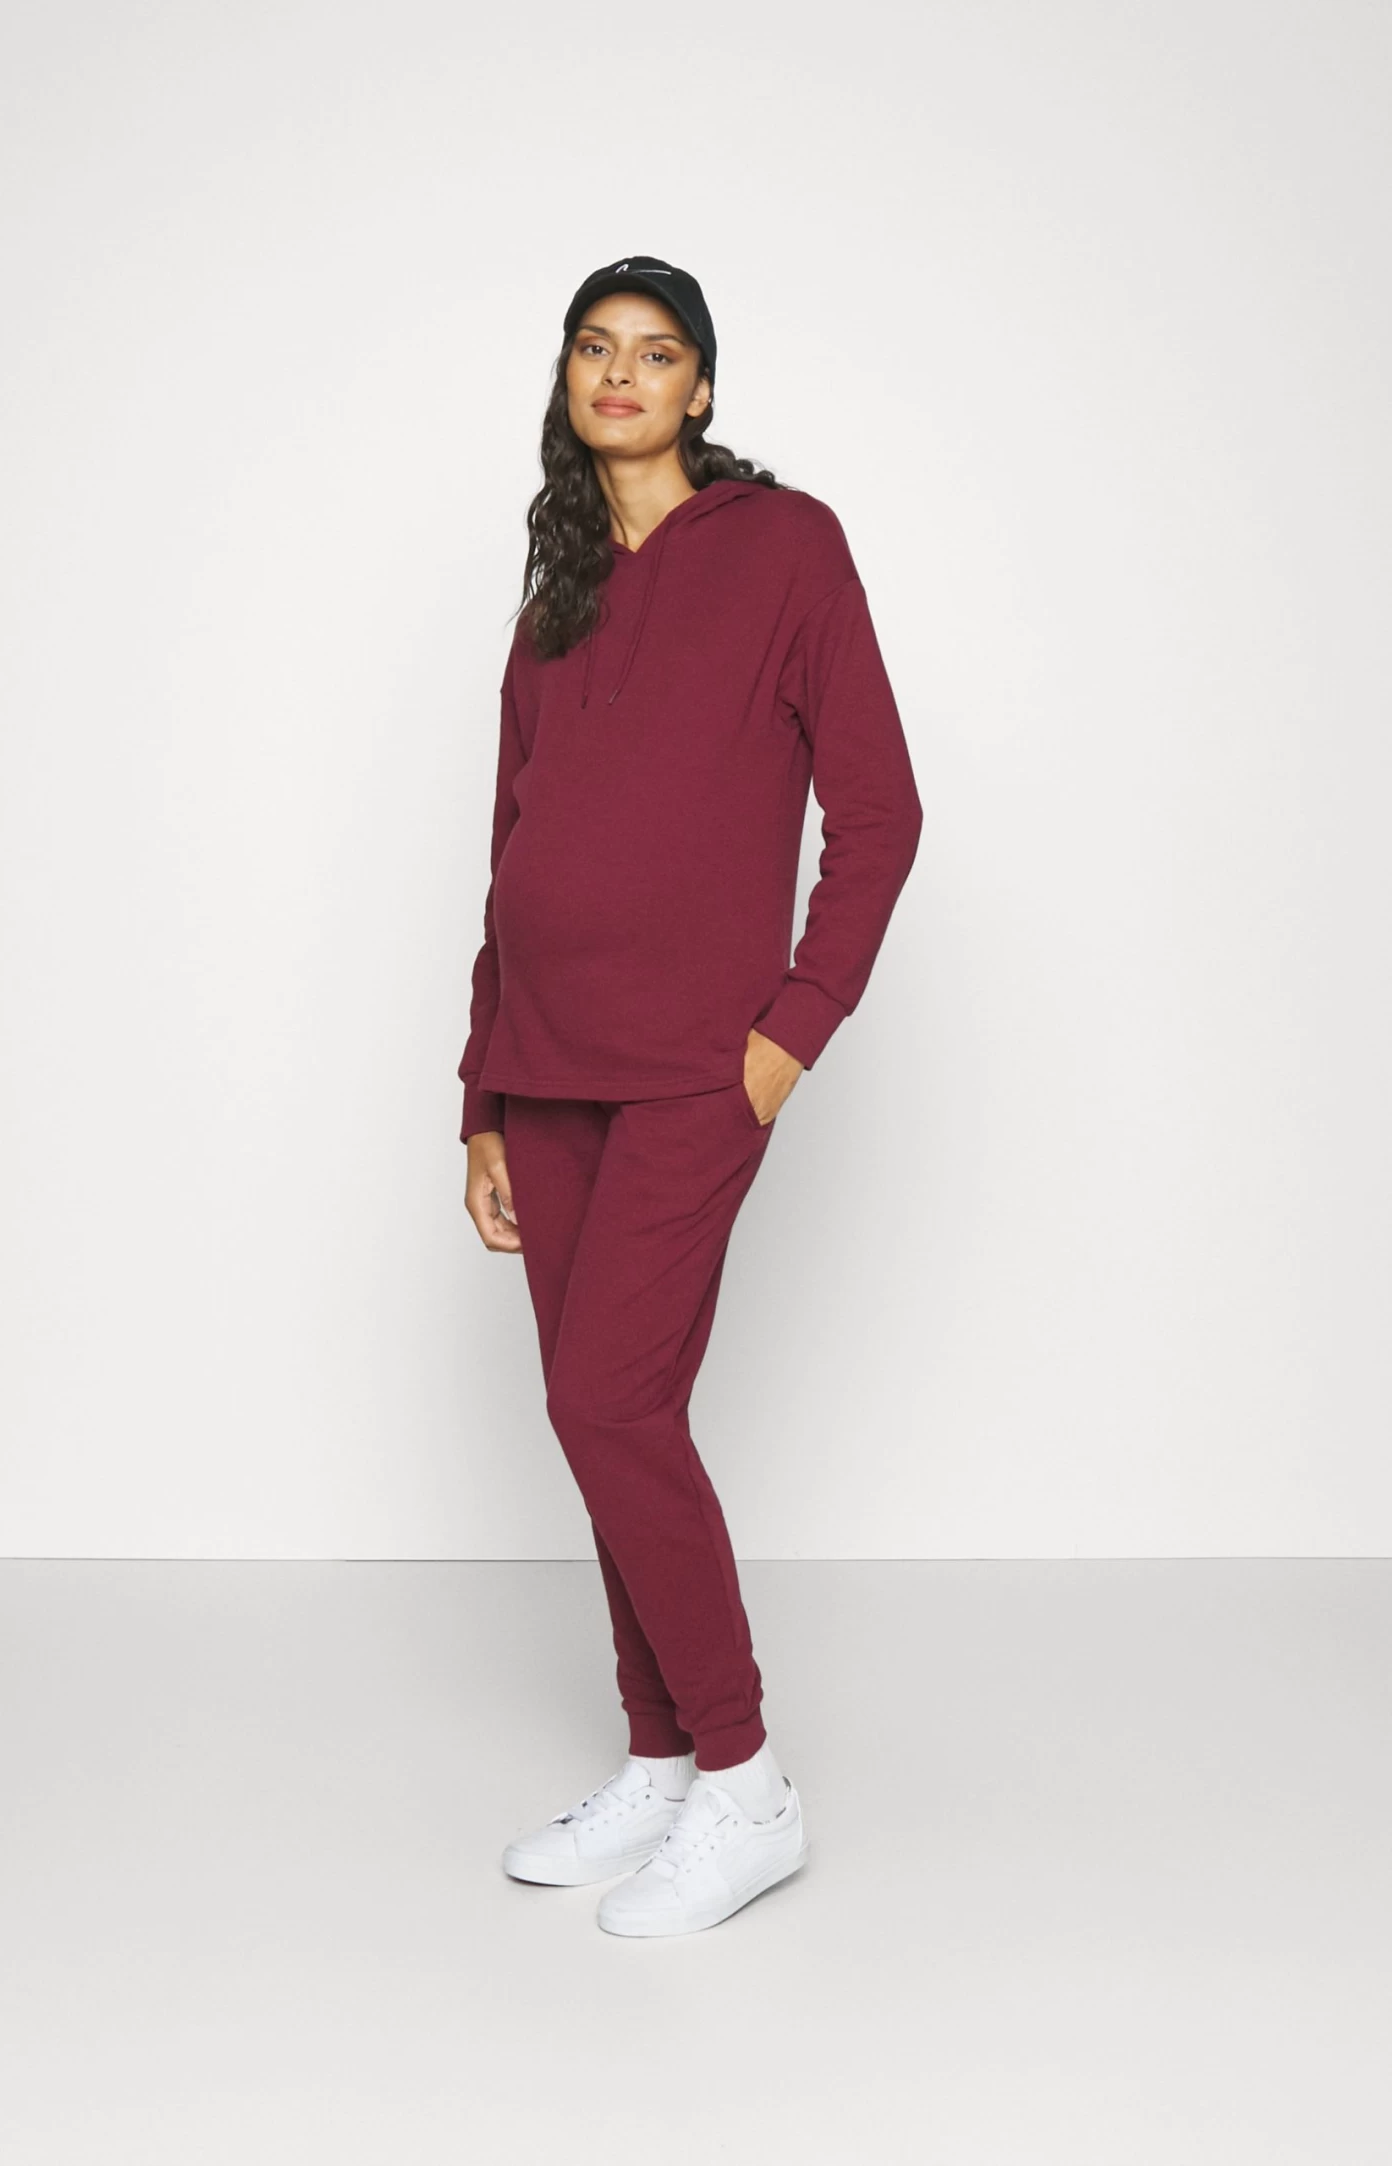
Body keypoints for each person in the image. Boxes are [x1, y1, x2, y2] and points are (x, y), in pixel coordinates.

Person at [457, 255, 924, 1937]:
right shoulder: (556, 598)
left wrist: (788, 1034)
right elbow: (509, 854)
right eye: (596, 348)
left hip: (690, 1073)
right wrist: (479, 1092)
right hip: (546, 1069)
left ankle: (746, 1777)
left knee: (611, 1405)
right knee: (602, 1419)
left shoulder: (787, 548)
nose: (622, 373)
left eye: (657, 353)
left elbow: (881, 813)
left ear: (702, 389)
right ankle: (658, 1756)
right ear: (567, 381)